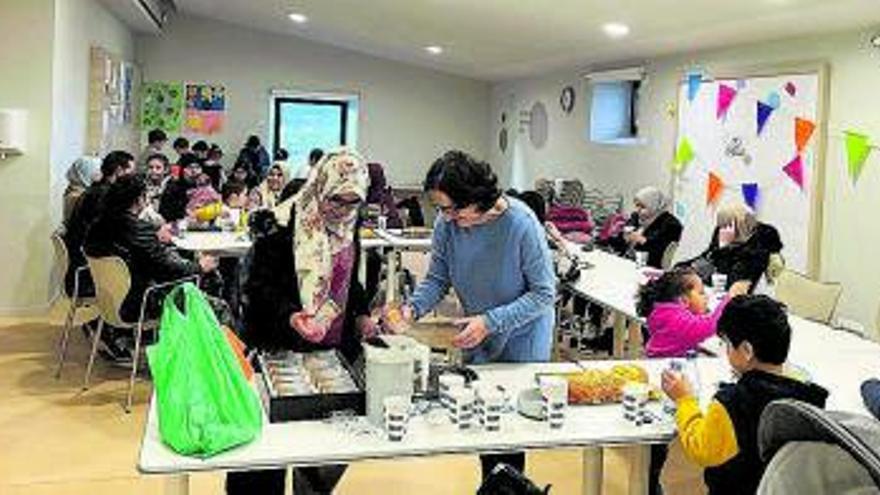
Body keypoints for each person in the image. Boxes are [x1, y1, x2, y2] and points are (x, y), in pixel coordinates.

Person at [387, 150, 556, 480]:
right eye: (440, 209)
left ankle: (507, 487)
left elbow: (544, 294)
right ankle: (493, 485)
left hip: (522, 336)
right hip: (479, 332)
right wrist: (411, 309)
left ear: (478, 197)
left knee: (508, 435)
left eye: (453, 208)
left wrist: (490, 321)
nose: (447, 217)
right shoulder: (447, 225)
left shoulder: (521, 223)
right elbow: (438, 278)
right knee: (483, 428)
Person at [226, 149, 375, 495]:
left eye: (354, 203)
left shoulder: (348, 224)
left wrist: (363, 313)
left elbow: (348, 280)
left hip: (331, 349)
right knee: (268, 453)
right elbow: (258, 288)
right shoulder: (279, 226)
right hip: (279, 342)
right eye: (337, 200)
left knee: (322, 452)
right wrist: (292, 315)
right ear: (321, 186)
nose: (344, 210)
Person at [661, 295, 828, 495]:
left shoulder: (733, 403)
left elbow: (702, 449)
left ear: (747, 350)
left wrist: (684, 400)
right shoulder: (809, 395)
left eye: (728, 345)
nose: (726, 352)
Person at [84, 174, 220, 356]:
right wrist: (199, 267)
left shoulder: (99, 223)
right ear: (139, 199)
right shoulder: (138, 228)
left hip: (108, 298)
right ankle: (211, 361)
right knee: (218, 304)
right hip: (139, 302)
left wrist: (153, 237)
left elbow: (136, 250)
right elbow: (167, 271)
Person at [63, 150, 136, 297]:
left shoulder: (96, 190)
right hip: (90, 270)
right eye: (130, 172)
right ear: (119, 171)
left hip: (85, 261)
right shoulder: (104, 196)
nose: (132, 177)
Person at [679, 203, 783, 289]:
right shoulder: (723, 233)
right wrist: (687, 268)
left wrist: (722, 249)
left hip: (736, 297)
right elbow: (708, 256)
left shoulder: (757, 247)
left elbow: (732, 282)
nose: (722, 230)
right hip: (711, 287)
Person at [619, 187, 683, 268]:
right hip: (627, 260)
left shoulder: (671, 224)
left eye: (642, 207)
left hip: (649, 266)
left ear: (654, 205)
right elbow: (623, 236)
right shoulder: (636, 216)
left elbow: (661, 250)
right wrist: (624, 235)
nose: (638, 210)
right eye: (637, 205)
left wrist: (643, 240)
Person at [159, 153, 201, 222]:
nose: (194, 171)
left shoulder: (202, 185)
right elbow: (167, 213)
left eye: (197, 167)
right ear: (182, 170)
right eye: (190, 167)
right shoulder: (173, 188)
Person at [62, 156, 101, 222]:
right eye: (96, 172)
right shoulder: (76, 195)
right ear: (86, 173)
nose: (100, 175)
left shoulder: (77, 190)